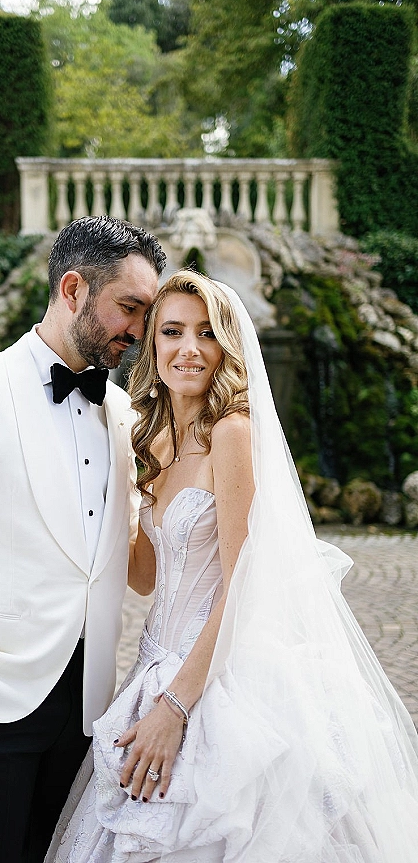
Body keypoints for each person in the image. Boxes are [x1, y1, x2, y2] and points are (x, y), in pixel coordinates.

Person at [46, 269, 418, 863]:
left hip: (217, 680)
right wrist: (122, 493)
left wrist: (175, 708)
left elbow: (244, 585)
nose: (189, 348)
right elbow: (146, 577)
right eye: (172, 332)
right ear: (153, 345)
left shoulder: (232, 433)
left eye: (206, 333)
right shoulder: (154, 436)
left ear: (225, 346)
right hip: (155, 664)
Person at [0, 216, 166, 863]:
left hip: (86, 711)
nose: (140, 331)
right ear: (73, 289)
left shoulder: (124, 413)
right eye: (129, 308)